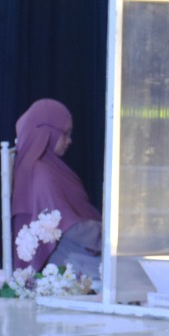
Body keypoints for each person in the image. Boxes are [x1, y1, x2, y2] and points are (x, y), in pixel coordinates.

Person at [10, 98, 102, 281]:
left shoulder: (45, 166)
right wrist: (112, 234)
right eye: (65, 134)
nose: (69, 140)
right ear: (48, 132)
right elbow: (71, 229)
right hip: (61, 261)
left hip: (70, 252)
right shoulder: (40, 173)